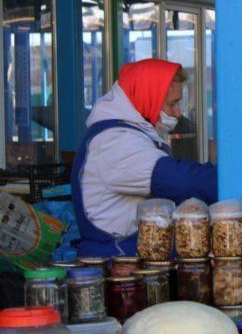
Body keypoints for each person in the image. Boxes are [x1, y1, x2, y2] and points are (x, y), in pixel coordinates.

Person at [72, 59, 218, 257]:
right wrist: (235, 181)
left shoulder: (133, 133)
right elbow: (179, 181)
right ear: (148, 96)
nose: (177, 113)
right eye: (172, 104)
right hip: (117, 260)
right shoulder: (113, 142)